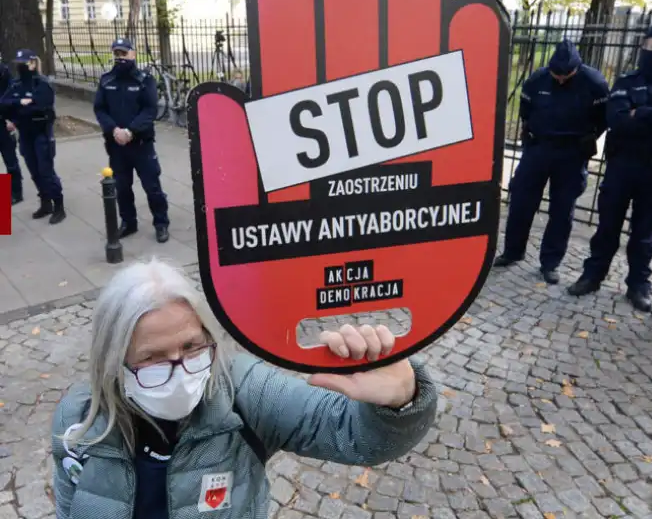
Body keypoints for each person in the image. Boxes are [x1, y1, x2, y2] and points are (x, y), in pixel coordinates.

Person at [51, 259, 436, 519]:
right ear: (112, 359)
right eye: (151, 358)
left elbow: (353, 435)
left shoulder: (245, 392)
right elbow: (72, 502)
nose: (180, 370)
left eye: (191, 347)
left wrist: (400, 399)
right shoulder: (79, 421)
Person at [567, 20, 652, 311]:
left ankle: (639, 285)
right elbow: (617, 120)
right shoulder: (626, 81)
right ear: (644, 47)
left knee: (645, 233)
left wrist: (641, 112)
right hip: (622, 165)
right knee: (607, 227)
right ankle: (592, 275)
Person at [494, 39, 609, 284]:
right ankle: (513, 251)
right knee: (521, 202)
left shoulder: (594, 83)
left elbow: (603, 119)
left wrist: (587, 141)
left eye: (566, 75)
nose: (560, 79)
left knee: (562, 210)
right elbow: (525, 111)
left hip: (571, 153)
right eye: (556, 74)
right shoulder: (537, 80)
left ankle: (550, 262)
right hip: (539, 148)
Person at [94, 38, 170, 243]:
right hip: (116, 145)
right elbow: (100, 109)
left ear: (133, 54)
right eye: (117, 54)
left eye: (124, 53)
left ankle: (161, 223)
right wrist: (114, 130)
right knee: (121, 187)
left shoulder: (145, 80)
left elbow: (150, 110)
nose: (120, 58)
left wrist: (130, 131)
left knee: (152, 186)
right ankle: (129, 222)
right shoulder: (106, 80)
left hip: (141, 144)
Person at [1, 49, 65, 223]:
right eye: (19, 64)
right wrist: (19, 102)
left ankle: (58, 205)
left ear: (33, 63)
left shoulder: (42, 83)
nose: (22, 66)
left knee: (46, 171)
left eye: (25, 63)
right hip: (26, 133)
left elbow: (41, 106)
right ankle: (45, 202)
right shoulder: (16, 84)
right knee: (34, 171)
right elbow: (4, 103)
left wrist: (19, 109)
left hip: (42, 133)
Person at [0, 56, 23, 204]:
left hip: (3, 122)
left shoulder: (4, 73)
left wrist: (12, 121)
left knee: (10, 160)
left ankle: (15, 192)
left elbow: (10, 100)